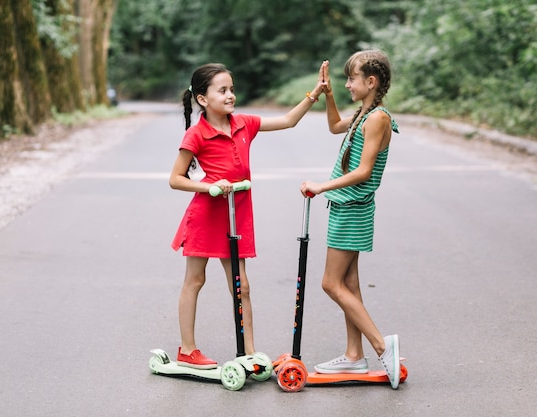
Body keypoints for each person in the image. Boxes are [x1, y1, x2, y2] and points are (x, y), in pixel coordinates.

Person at [169, 62, 327, 369]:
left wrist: (314, 94)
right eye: (223, 90)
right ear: (202, 99)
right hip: (206, 214)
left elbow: (288, 121)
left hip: (234, 217)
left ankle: (249, 352)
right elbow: (176, 178)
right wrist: (210, 187)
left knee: (241, 286)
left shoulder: (244, 123)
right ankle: (187, 349)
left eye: (232, 89)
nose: (231, 95)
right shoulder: (196, 134)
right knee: (195, 280)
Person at [300, 50, 402, 389]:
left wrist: (321, 186)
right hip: (346, 208)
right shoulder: (363, 114)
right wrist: (327, 95)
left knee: (330, 283)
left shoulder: (377, 119)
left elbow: (363, 171)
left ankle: (381, 346)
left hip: (353, 208)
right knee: (350, 285)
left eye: (351, 79)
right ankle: (354, 356)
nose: (347, 84)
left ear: (370, 82)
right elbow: (333, 127)